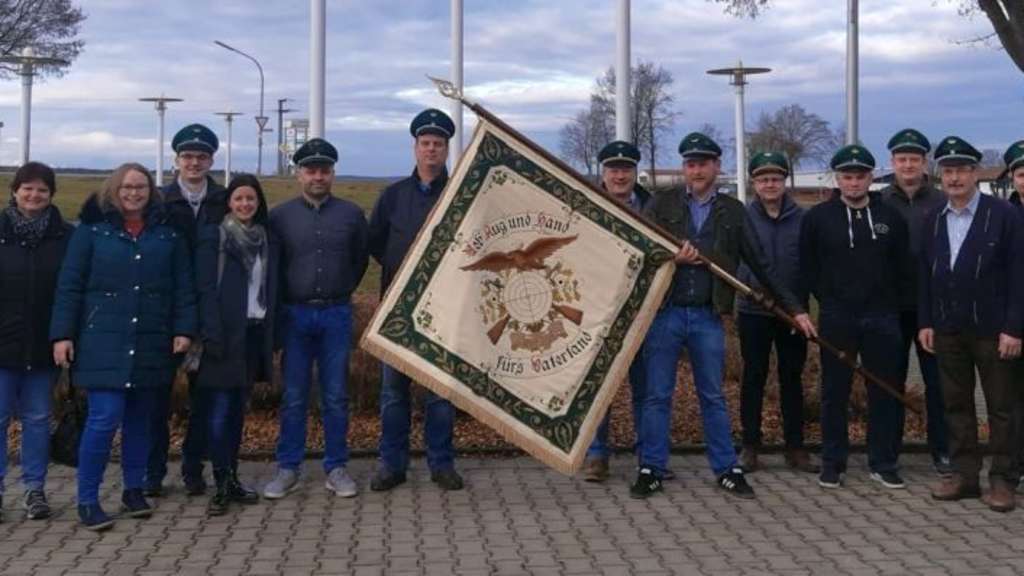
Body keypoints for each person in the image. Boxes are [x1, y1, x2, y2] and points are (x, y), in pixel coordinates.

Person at [634, 132, 816, 499]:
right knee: (657, 395)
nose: (696, 170)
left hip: (706, 316)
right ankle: (650, 467)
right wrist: (672, 257)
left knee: (713, 396)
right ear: (684, 168)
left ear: (717, 166)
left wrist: (795, 309)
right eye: (690, 163)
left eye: (703, 163)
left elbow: (761, 265)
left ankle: (726, 468)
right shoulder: (661, 203)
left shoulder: (732, 211)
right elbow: (640, 250)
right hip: (666, 314)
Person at [50, 163, 196, 531]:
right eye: (127, 187)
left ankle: (134, 490)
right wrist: (62, 335)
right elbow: (70, 285)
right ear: (114, 190)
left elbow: (182, 287)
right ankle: (87, 499)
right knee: (102, 420)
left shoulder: (166, 236)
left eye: (141, 188)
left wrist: (183, 328)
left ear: (151, 192)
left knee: (141, 422)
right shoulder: (91, 233)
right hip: (103, 340)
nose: (134, 194)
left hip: (151, 340)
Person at [800, 144, 912, 490]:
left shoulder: (891, 217)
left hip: (882, 317)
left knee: (884, 390)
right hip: (837, 316)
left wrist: (894, 309)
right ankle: (833, 462)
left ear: (870, 178)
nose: (853, 183)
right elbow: (807, 267)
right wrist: (819, 302)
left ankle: (883, 461)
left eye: (860, 176)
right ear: (838, 179)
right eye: (847, 176)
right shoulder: (818, 218)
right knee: (835, 391)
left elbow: (903, 269)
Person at [921, 136, 1024, 512]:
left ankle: (1003, 480)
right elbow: (926, 274)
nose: (955, 178)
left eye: (962, 170)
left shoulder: (1003, 215)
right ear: (940, 176)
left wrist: (1015, 328)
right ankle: (964, 475)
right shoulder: (934, 217)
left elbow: (1018, 276)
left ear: (976, 173)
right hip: (948, 329)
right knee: (955, 405)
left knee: (1002, 408)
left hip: (993, 330)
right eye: (948, 171)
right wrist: (926, 320)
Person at [263, 138, 369, 500]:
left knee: (336, 394)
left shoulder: (352, 215)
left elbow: (358, 263)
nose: (318, 176)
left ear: (333, 174)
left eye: (324, 170)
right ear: (299, 175)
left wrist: (340, 290)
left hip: (336, 313)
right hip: (295, 314)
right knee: (293, 395)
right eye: (311, 170)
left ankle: (336, 466)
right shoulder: (279, 217)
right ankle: (288, 467)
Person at [368, 109, 464, 492]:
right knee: (394, 393)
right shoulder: (393, 197)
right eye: (425, 143)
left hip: (444, 312)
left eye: (438, 144)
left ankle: (441, 464)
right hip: (399, 312)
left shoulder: (460, 193)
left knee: (440, 394)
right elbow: (376, 242)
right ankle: (392, 465)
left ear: (446, 150)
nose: (431, 150)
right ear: (415, 148)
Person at [146, 123, 227, 497]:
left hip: (211, 311)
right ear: (176, 160)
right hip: (165, 313)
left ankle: (194, 468)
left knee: (204, 398)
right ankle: (153, 471)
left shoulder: (224, 200)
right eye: (187, 156)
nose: (194, 162)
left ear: (212, 159)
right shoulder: (157, 201)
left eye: (202, 156)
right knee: (156, 398)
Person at [195, 174, 278, 515]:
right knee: (219, 411)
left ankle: (232, 477)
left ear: (259, 203)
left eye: (251, 199)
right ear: (228, 202)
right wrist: (211, 333)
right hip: (221, 337)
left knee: (236, 413)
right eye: (239, 199)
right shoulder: (214, 237)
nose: (245, 204)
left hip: (252, 334)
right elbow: (204, 289)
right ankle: (220, 481)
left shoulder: (266, 240)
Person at [736, 152, 817, 474]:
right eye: (763, 179)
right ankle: (750, 446)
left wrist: (803, 305)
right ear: (754, 183)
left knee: (791, 380)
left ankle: (795, 447)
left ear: (785, 182)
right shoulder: (742, 217)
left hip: (792, 314)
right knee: (753, 378)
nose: (770, 184)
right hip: (753, 311)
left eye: (775, 179)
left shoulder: (804, 219)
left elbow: (812, 264)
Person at [0, 162, 72, 522]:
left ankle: (34, 490)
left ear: (51, 195)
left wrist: (65, 335)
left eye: (42, 189)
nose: (34, 195)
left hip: (44, 346)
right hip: (2, 345)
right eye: (27, 188)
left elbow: (70, 291)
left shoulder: (65, 237)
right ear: (14, 191)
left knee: (37, 420)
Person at [880, 129, 951, 476]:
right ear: (892, 162)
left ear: (925, 163)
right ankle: (888, 453)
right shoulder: (879, 201)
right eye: (901, 159)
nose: (907, 165)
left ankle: (943, 450)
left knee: (937, 384)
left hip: (932, 308)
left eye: (914, 159)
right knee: (890, 381)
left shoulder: (941, 201)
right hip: (890, 307)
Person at [581, 140, 652, 483]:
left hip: (642, 311)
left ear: (634, 172)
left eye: (625, 169)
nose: (620, 175)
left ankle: (647, 455)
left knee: (645, 387)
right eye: (613, 169)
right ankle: (597, 455)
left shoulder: (653, 208)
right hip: (600, 311)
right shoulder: (586, 204)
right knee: (600, 387)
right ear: (603, 173)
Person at [1004, 140, 1024, 487]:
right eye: (1022, 173)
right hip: (1012, 319)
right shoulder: (1002, 216)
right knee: (1014, 399)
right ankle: (1016, 466)